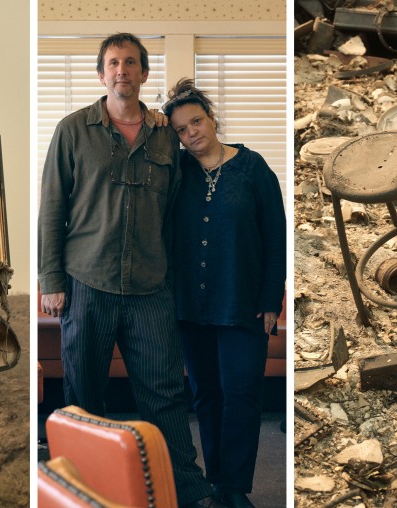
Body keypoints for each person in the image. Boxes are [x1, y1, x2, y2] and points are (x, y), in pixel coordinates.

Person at [38, 34, 215, 507]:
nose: (122, 70)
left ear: (143, 73)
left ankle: (189, 492)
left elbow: (176, 211)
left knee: (166, 397)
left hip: (150, 288)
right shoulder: (72, 130)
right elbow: (52, 209)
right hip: (86, 283)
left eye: (131, 62)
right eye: (114, 63)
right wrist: (50, 281)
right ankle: (84, 493)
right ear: (102, 74)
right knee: (83, 399)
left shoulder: (165, 135)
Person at [162, 78, 287, 508]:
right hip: (191, 308)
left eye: (196, 121)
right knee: (206, 396)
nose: (191, 132)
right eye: (180, 129)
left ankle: (235, 488)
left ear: (212, 119)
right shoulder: (175, 172)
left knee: (242, 395)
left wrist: (272, 298)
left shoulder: (253, 169)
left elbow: (275, 237)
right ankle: (215, 482)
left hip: (243, 305)